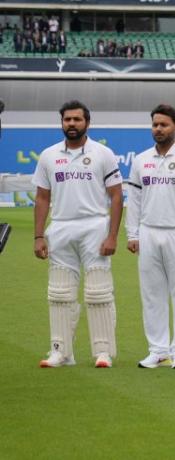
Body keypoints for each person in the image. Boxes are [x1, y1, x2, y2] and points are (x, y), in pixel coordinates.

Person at [33, 100, 123, 368]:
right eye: (67, 120)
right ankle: (60, 351)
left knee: (98, 291)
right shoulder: (49, 155)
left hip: (94, 226)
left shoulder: (103, 153)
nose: (71, 124)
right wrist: (38, 236)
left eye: (76, 119)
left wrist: (112, 236)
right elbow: (41, 197)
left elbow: (116, 196)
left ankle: (103, 352)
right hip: (60, 227)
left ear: (87, 123)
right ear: (61, 123)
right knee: (59, 293)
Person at [125, 105, 175, 370]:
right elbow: (134, 200)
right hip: (149, 232)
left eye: (164, 125)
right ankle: (158, 350)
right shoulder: (141, 160)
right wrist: (132, 233)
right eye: (155, 125)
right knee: (152, 295)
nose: (158, 129)